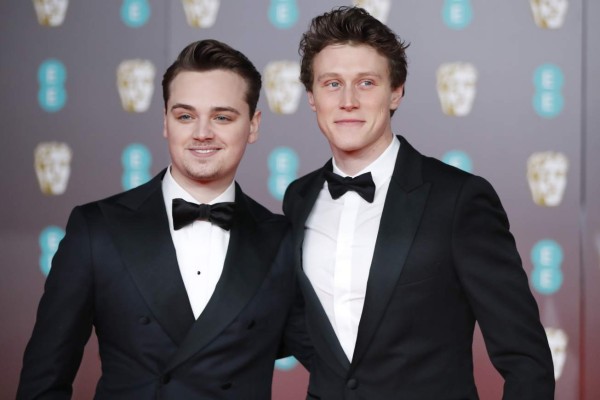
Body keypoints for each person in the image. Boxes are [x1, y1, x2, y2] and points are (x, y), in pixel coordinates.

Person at [283, 6, 554, 399]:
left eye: (366, 83)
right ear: (311, 97)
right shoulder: (299, 198)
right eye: (331, 84)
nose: (348, 101)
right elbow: (305, 329)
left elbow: (526, 358)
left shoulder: (459, 199)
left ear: (396, 92)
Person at [18, 39, 308, 400]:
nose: (202, 132)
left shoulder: (281, 238)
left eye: (222, 116)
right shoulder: (98, 228)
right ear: (166, 123)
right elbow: (43, 381)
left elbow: (337, 363)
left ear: (253, 125)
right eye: (185, 116)